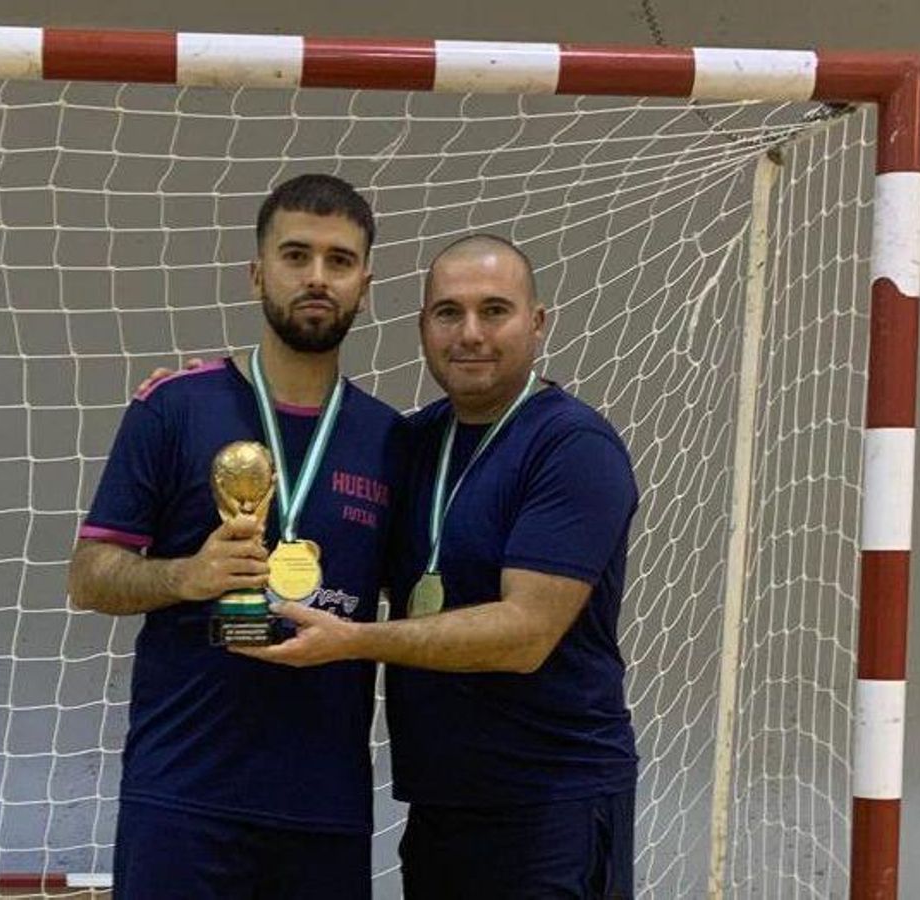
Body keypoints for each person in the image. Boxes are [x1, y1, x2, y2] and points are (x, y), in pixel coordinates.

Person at [238, 235, 640, 898]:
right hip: (439, 806)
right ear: (423, 327)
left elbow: (524, 635)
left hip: (552, 805)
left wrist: (357, 642)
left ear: (538, 323)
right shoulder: (414, 440)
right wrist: (197, 391)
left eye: (495, 311)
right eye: (448, 313)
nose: (470, 334)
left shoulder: (573, 447)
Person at [67, 174, 407, 899]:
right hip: (185, 797)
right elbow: (90, 576)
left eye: (339, 261)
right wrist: (184, 577)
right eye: (296, 255)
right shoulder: (173, 410)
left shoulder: (392, 440)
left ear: (365, 285)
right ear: (258, 273)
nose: (317, 277)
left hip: (325, 808)